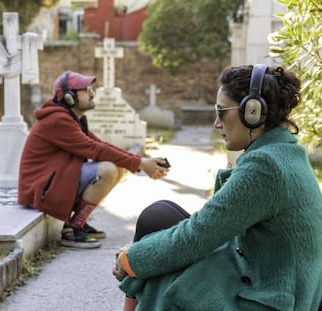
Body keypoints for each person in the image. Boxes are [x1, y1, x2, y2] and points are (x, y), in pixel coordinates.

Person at [113, 64, 322, 310]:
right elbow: (209, 226)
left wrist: (130, 259)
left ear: (252, 112)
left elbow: (197, 236)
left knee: (157, 269)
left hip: (273, 297)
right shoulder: (282, 151)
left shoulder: (265, 166)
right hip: (267, 276)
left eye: (222, 112)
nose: (216, 123)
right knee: (159, 215)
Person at [18, 71, 170, 249]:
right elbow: (96, 150)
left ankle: (79, 222)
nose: (92, 93)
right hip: (39, 189)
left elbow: (101, 145)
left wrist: (140, 161)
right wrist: (141, 163)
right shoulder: (58, 120)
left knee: (117, 167)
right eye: (86, 90)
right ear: (69, 97)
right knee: (107, 170)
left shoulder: (73, 119)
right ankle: (72, 230)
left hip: (54, 180)